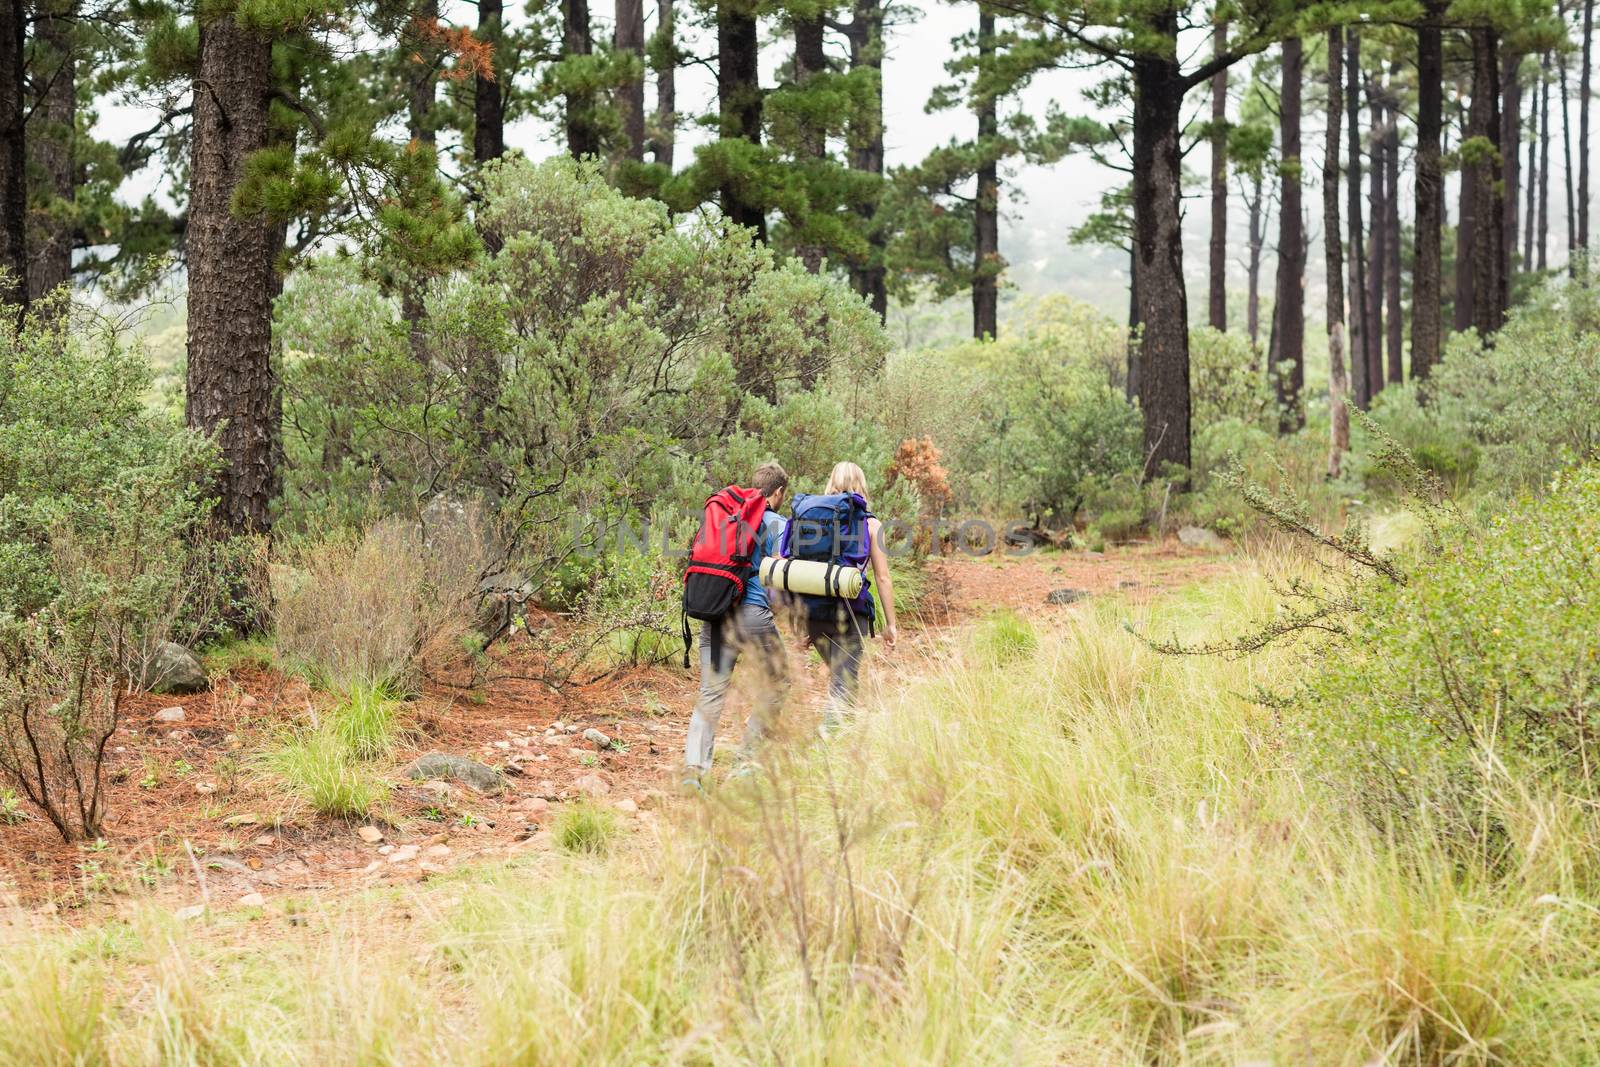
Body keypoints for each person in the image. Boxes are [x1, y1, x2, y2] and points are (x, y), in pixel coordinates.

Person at [683, 462, 791, 784]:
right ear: (779, 492)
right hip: (753, 616)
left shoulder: (727, 517)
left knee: (710, 693)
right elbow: (782, 579)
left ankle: (693, 773)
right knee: (778, 682)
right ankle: (746, 762)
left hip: (716, 613)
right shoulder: (777, 524)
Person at [804, 461, 897, 720]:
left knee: (840, 679)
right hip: (851, 613)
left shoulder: (811, 519)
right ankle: (828, 744)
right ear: (861, 484)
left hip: (813, 614)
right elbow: (882, 577)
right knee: (844, 684)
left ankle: (842, 746)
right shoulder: (870, 525)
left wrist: (801, 622)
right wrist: (891, 624)